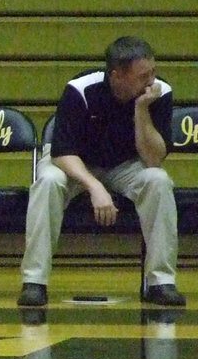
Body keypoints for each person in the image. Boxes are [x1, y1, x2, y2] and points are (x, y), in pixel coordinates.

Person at [18, 35, 185, 308]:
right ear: (117, 75)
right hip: (75, 162)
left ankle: (161, 282)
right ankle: (34, 281)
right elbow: (61, 152)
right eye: (143, 75)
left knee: (159, 180)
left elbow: (153, 159)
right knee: (47, 181)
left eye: (153, 72)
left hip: (126, 164)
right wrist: (94, 186)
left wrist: (141, 109)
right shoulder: (80, 89)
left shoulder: (160, 93)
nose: (151, 81)